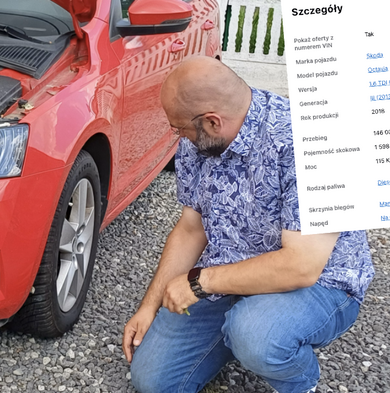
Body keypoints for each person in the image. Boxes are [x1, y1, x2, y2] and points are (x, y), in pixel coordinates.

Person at [124, 57, 374, 393]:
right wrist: (148, 305)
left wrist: (199, 283)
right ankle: (236, 332)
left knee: (256, 335)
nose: (177, 136)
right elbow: (190, 229)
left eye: (179, 127)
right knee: (153, 382)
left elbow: (302, 267)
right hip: (228, 277)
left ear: (213, 121)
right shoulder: (196, 142)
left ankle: (296, 378)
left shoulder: (311, 142)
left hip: (321, 283)